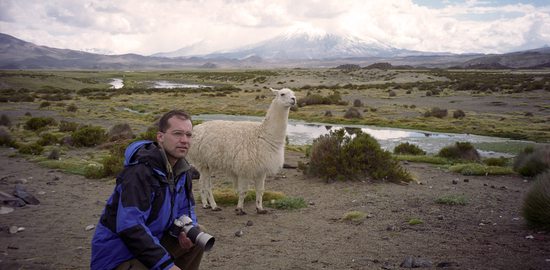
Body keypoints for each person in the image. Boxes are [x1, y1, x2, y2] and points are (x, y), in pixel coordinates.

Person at [91, 110, 203, 270]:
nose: (184, 140)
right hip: (120, 255)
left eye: (188, 135)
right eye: (177, 134)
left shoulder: (182, 170)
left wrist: (188, 230)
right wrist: (166, 265)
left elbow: (186, 209)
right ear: (160, 137)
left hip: (152, 241)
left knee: (198, 236)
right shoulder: (140, 171)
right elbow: (130, 227)